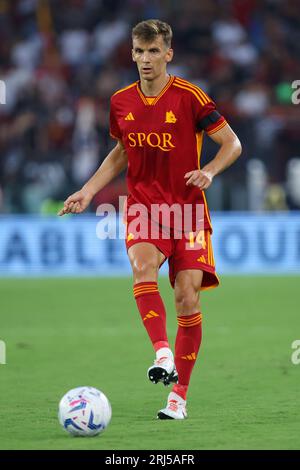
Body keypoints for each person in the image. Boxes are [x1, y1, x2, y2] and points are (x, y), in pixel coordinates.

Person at [58, 19, 242, 419]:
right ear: (132, 54)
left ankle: (179, 398)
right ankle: (162, 352)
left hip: (189, 211)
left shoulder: (191, 97)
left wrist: (209, 171)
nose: (145, 59)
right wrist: (87, 191)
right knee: (142, 269)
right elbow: (121, 153)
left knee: (186, 298)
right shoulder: (120, 101)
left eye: (153, 51)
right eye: (139, 52)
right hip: (144, 209)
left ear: (168, 54)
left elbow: (232, 143)